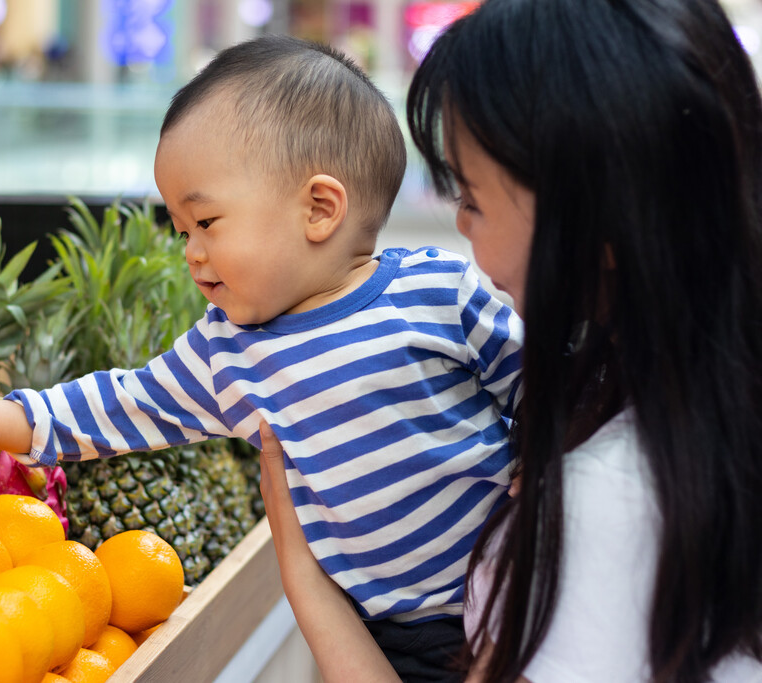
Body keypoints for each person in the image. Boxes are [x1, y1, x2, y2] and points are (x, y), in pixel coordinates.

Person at [0, 35, 523, 680]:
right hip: (390, 638)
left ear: (320, 209)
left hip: (522, 585)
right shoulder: (227, 353)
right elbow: (114, 405)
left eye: (206, 223)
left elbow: (554, 399)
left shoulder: (440, 290)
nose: (190, 251)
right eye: (180, 230)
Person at [257, 0, 762, 681]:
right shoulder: (683, 420)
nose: (462, 227)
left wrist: (308, 583)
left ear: (597, 220)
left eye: (471, 198)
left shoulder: (602, 509)